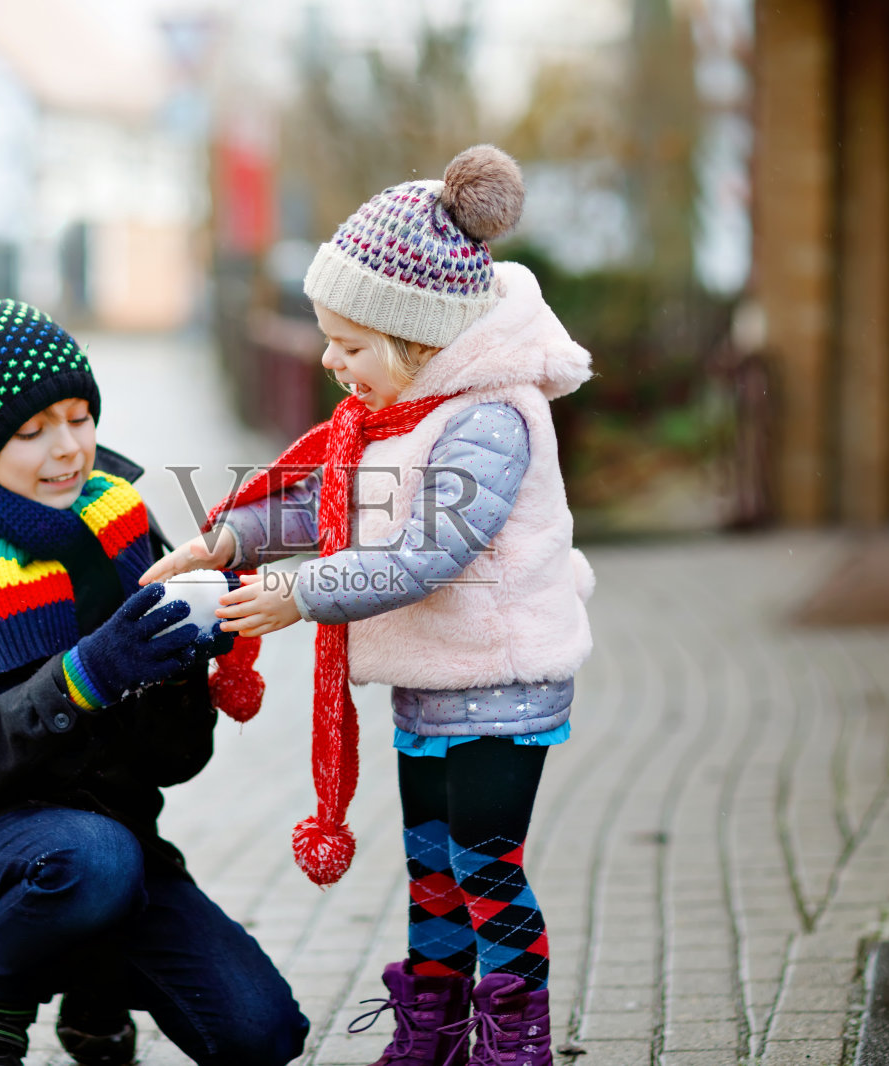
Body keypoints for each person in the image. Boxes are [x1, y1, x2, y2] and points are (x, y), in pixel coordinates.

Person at [143, 146, 595, 1066]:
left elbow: (426, 553)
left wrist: (299, 593)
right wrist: (232, 540)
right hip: (429, 689)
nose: (330, 360)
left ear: (417, 339)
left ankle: (516, 1036)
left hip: (502, 685)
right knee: (433, 872)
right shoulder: (397, 418)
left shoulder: (486, 420)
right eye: (328, 337)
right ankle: (432, 1025)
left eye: (350, 345)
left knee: (485, 869)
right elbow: (329, 504)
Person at [0, 299, 309, 1066]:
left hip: (112, 837)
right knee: (93, 861)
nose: (70, 450)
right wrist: (87, 676)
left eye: (80, 416)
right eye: (33, 431)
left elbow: (178, 764)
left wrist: (183, 666)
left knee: (263, 1034)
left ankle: (93, 974)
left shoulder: (119, 526)